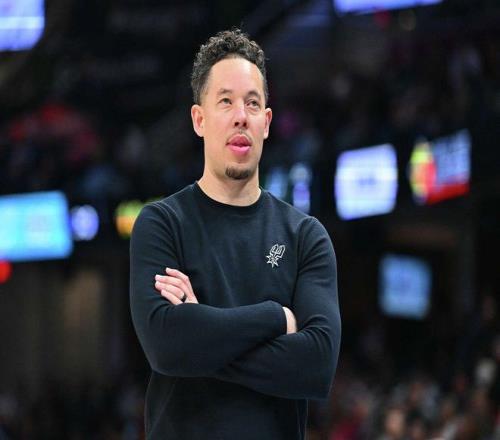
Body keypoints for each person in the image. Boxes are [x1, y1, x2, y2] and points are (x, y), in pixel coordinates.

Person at [130, 28, 341, 440]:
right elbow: (166, 347)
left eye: (252, 103)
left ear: (266, 123)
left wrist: (199, 334)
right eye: (225, 101)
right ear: (199, 119)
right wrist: (275, 317)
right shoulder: (161, 223)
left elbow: (316, 366)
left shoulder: (306, 237)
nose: (241, 115)